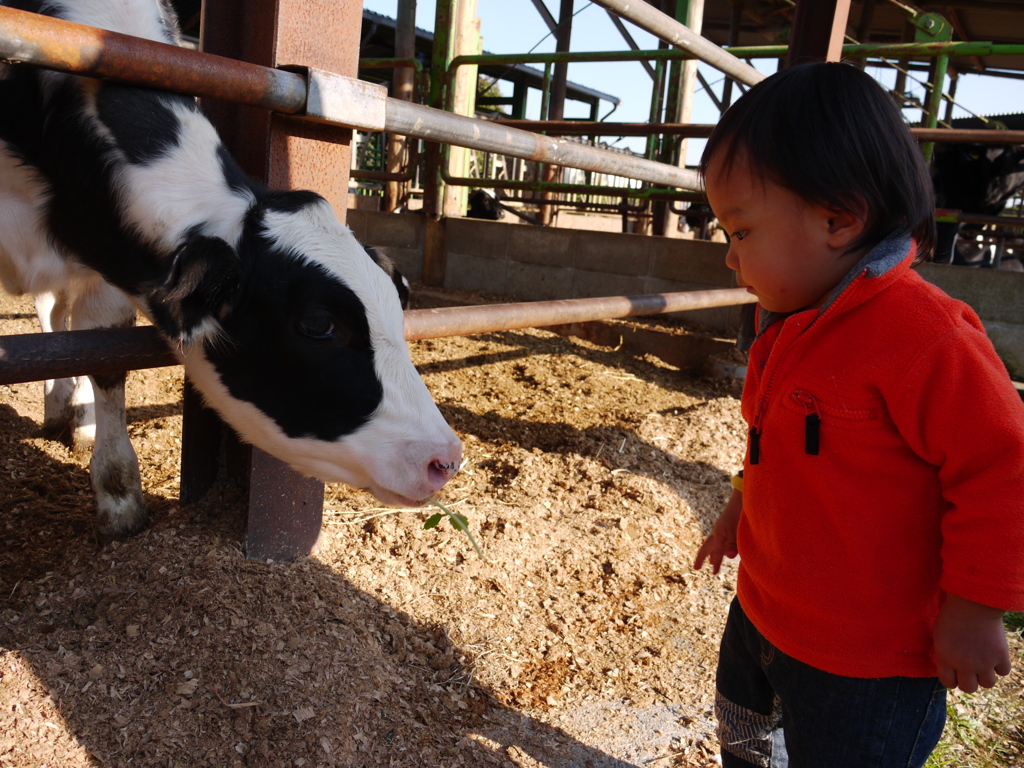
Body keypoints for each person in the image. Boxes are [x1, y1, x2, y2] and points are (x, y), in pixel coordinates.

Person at [692, 62, 1024, 768]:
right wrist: (737, 509)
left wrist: (975, 607)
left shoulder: (928, 339)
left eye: (741, 231)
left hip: (868, 667)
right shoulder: (787, 324)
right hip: (762, 614)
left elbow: (1003, 469)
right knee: (745, 737)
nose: (729, 257)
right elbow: (769, 441)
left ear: (839, 220)